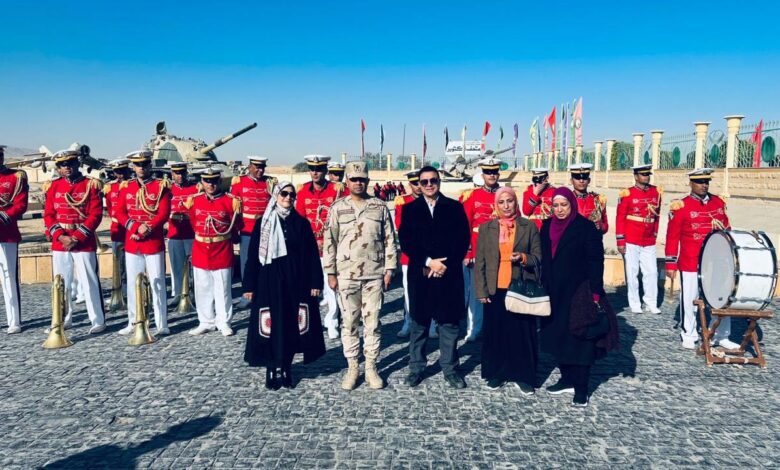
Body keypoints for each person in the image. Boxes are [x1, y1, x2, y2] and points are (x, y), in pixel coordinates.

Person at [539, 187, 618, 407]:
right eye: (556, 205)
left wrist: (595, 291)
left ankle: (581, 388)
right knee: (560, 337)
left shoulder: (585, 228)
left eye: (564, 205)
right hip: (554, 292)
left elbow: (596, 261)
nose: (560, 209)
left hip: (579, 292)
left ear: (572, 205)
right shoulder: (547, 226)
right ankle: (567, 379)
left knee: (580, 340)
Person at [243, 182, 326, 389]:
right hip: (268, 281)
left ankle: (287, 366)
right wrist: (249, 285)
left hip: (295, 281)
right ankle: (271, 367)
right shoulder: (263, 223)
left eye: (292, 195)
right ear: (276, 195)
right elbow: (253, 255)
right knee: (270, 324)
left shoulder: (301, 223)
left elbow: (311, 255)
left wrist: (315, 282)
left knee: (290, 325)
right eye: (284, 193)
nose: (288, 197)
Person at [323, 161, 396, 390]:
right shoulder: (337, 208)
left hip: (374, 274)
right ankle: (353, 367)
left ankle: (371, 367)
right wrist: (330, 272)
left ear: (368, 181)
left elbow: (390, 239)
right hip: (346, 275)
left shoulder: (379, 207)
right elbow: (329, 242)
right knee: (349, 323)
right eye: (354, 179)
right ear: (347, 181)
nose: (358, 183)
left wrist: (389, 269)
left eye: (362, 179)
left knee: (372, 323)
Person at [398, 166, 471, 389]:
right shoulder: (410, 210)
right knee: (419, 323)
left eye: (433, 180)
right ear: (419, 185)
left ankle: (450, 368)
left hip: (448, 274)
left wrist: (443, 265)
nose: (429, 185)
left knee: (449, 323)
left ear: (439, 181)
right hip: (421, 274)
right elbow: (406, 242)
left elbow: (462, 240)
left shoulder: (454, 207)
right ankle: (416, 368)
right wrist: (429, 262)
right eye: (424, 182)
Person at [474, 186, 541, 394]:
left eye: (509, 201)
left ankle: (524, 375)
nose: (506, 206)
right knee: (496, 333)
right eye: (501, 202)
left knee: (522, 333)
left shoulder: (529, 226)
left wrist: (523, 258)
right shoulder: (486, 228)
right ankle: (497, 373)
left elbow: (538, 257)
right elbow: (480, 262)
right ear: (496, 205)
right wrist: (481, 291)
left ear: (516, 202)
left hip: (519, 287)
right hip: (495, 289)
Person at [665, 168, 736, 350]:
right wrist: (671, 263)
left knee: (721, 296)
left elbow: (727, 228)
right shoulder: (681, 206)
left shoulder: (718, 202)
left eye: (706, 182)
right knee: (690, 298)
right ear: (691, 183)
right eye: (699, 182)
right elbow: (672, 237)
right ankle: (689, 333)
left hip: (717, 259)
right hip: (691, 260)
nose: (704, 185)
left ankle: (721, 335)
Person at [43, 149, 106, 334]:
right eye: (63, 165)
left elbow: (95, 214)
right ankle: (62, 319)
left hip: (83, 240)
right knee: (62, 282)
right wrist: (61, 236)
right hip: (60, 241)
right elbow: (49, 215)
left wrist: (76, 237)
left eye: (70, 163)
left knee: (89, 281)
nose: (67, 167)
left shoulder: (91, 185)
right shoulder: (53, 186)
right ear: (58, 168)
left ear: (77, 164)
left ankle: (98, 319)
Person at [115, 150, 172, 336]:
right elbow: (119, 212)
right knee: (133, 283)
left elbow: (164, 212)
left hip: (152, 241)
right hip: (133, 242)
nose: (141, 168)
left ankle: (161, 323)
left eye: (145, 164)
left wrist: (148, 227)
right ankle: (134, 321)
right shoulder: (126, 187)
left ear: (150, 165)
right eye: (138, 164)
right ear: (133, 167)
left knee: (157, 282)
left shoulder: (161, 186)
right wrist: (135, 227)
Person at [186, 168, 242, 336]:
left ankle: (224, 322)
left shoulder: (230, 201)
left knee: (223, 289)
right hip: (201, 250)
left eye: (214, 181)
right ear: (202, 182)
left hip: (221, 250)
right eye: (207, 181)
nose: (210, 184)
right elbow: (194, 223)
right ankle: (206, 321)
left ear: (219, 182)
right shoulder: (194, 200)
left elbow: (237, 225)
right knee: (202, 288)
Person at [295, 155, 347, 339]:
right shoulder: (302, 192)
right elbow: (300, 221)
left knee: (332, 286)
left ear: (325, 171)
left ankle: (332, 322)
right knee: (309, 286)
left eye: (319, 169)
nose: (315, 173)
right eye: (312, 169)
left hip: (331, 247)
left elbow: (346, 217)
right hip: (310, 248)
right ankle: (307, 322)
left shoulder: (337, 190)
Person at [459, 156, 504, 342]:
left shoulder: (505, 194)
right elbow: (464, 226)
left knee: (498, 292)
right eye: (488, 172)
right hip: (477, 251)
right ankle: (473, 328)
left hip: (500, 251)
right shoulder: (472, 196)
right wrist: (468, 252)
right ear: (482, 174)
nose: (491, 175)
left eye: (494, 172)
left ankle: (494, 328)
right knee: (476, 293)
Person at [231, 156, 277, 309]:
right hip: (247, 229)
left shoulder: (269, 183)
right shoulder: (239, 182)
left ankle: (265, 293)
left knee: (267, 262)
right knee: (247, 263)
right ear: (249, 166)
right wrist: (235, 230)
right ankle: (246, 295)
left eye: (262, 167)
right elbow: (234, 210)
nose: (260, 170)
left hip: (266, 229)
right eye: (257, 167)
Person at [616, 164, 662, 314]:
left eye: (647, 174)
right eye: (643, 174)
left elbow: (657, 216)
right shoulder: (627, 194)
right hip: (631, 237)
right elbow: (620, 218)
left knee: (651, 272)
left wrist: (655, 233)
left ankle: (651, 302)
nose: (646, 177)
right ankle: (635, 303)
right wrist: (620, 240)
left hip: (648, 238)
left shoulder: (656, 192)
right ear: (636, 176)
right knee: (632, 272)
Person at [0, 145, 28, 333]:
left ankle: (14, 320)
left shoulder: (15, 177)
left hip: (6, 232)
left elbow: (20, 204)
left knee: (9, 277)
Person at [167, 162, 199, 306]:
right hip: (175, 233)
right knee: (177, 266)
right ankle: (179, 293)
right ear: (172, 174)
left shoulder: (195, 188)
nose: (180, 176)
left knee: (194, 267)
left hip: (191, 233)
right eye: (177, 173)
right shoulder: (167, 189)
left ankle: (194, 294)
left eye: (182, 173)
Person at [394, 170, 421, 337]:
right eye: (415, 183)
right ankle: (408, 322)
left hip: (431, 255)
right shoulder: (402, 202)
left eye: (420, 182)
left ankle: (433, 323)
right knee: (409, 291)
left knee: (432, 290)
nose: (418, 186)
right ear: (409, 184)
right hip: (410, 255)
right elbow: (400, 227)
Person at [569, 163, 608, 234]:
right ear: (571, 180)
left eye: (584, 177)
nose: (581, 181)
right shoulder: (566, 200)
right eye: (577, 177)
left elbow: (605, 226)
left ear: (589, 180)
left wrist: (601, 226)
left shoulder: (598, 199)